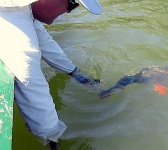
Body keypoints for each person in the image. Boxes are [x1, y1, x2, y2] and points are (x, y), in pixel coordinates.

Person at [0, 0, 102, 149]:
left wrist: (79, 76)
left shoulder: (23, 7)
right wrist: (52, 136)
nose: (68, 12)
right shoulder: (14, 25)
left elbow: (45, 42)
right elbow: (31, 85)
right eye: (72, 5)